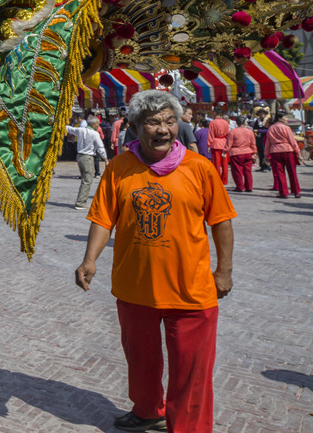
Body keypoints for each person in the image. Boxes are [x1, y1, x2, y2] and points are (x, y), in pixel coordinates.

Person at [74, 90, 235, 433]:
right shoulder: (120, 169)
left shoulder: (200, 168)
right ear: (134, 127)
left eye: (169, 121)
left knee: (192, 371)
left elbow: (221, 220)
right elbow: (103, 219)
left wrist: (224, 271)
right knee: (141, 362)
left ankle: (188, 428)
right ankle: (148, 411)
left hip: (191, 290)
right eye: (153, 122)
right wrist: (89, 260)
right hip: (136, 287)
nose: (163, 129)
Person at [67, 117, 109, 211]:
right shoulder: (95, 134)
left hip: (80, 157)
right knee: (87, 180)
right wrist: (106, 159)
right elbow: (100, 148)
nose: (99, 125)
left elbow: (69, 128)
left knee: (85, 179)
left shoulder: (81, 130)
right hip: (88, 158)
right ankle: (80, 202)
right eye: (98, 123)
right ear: (93, 124)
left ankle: (82, 200)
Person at [265, 111, 302, 199]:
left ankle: (283, 192)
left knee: (280, 173)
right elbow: (292, 141)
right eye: (285, 117)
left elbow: (268, 143)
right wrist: (298, 152)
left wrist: (266, 155)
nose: (286, 119)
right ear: (280, 118)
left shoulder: (271, 128)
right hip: (288, 150)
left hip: (275, 151)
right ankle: (296, 192)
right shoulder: (286, 128)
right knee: (292, 172)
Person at [226, 120, 257, 192]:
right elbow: (253, 143)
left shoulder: (233, 131)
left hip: (236, 153)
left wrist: (225, 151)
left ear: (237, 123)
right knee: (248, 171)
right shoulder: (250, 132)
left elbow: (229, 143)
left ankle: (240, 187)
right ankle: (249, 187)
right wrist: (254, 152)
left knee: (237, 171)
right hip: (248, 152)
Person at [208, 110, 230, 184]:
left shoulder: (212, 122)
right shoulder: (225, 122)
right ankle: (224, 180)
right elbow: (228, 134)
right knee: (225, 164)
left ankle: (217, 180)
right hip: (224, 143)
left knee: (216, 164)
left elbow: (211, 134)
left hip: (215, 143)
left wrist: (208, 144)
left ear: (214, 113)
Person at [251, 107, 271, 172]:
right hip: (259, 138)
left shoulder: (267, 121)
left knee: (265, 152)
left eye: (263, 113)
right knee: (260, 152)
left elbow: (268, 130)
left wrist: (259, 130)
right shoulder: (257, 121)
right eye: (260, 113)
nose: (262, 114)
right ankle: (262, 166)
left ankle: (267, 166)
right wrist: (255, 132)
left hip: (265, 138)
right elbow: (254, 128)